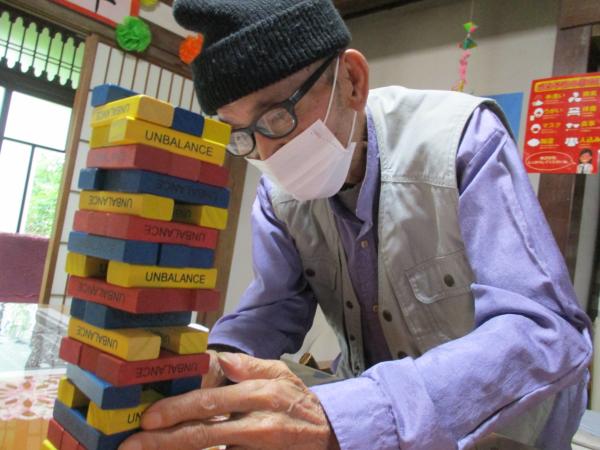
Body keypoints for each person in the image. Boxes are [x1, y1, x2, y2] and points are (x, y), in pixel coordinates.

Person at [119, 1, 592, 449]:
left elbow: (545, 332)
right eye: (240, 134)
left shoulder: (460, 141)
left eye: (278, 117)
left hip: (498, 430)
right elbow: (274, 307)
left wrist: (347, 415)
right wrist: (218, 362)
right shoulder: (278, 195)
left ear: (352, 81)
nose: (266, 154)